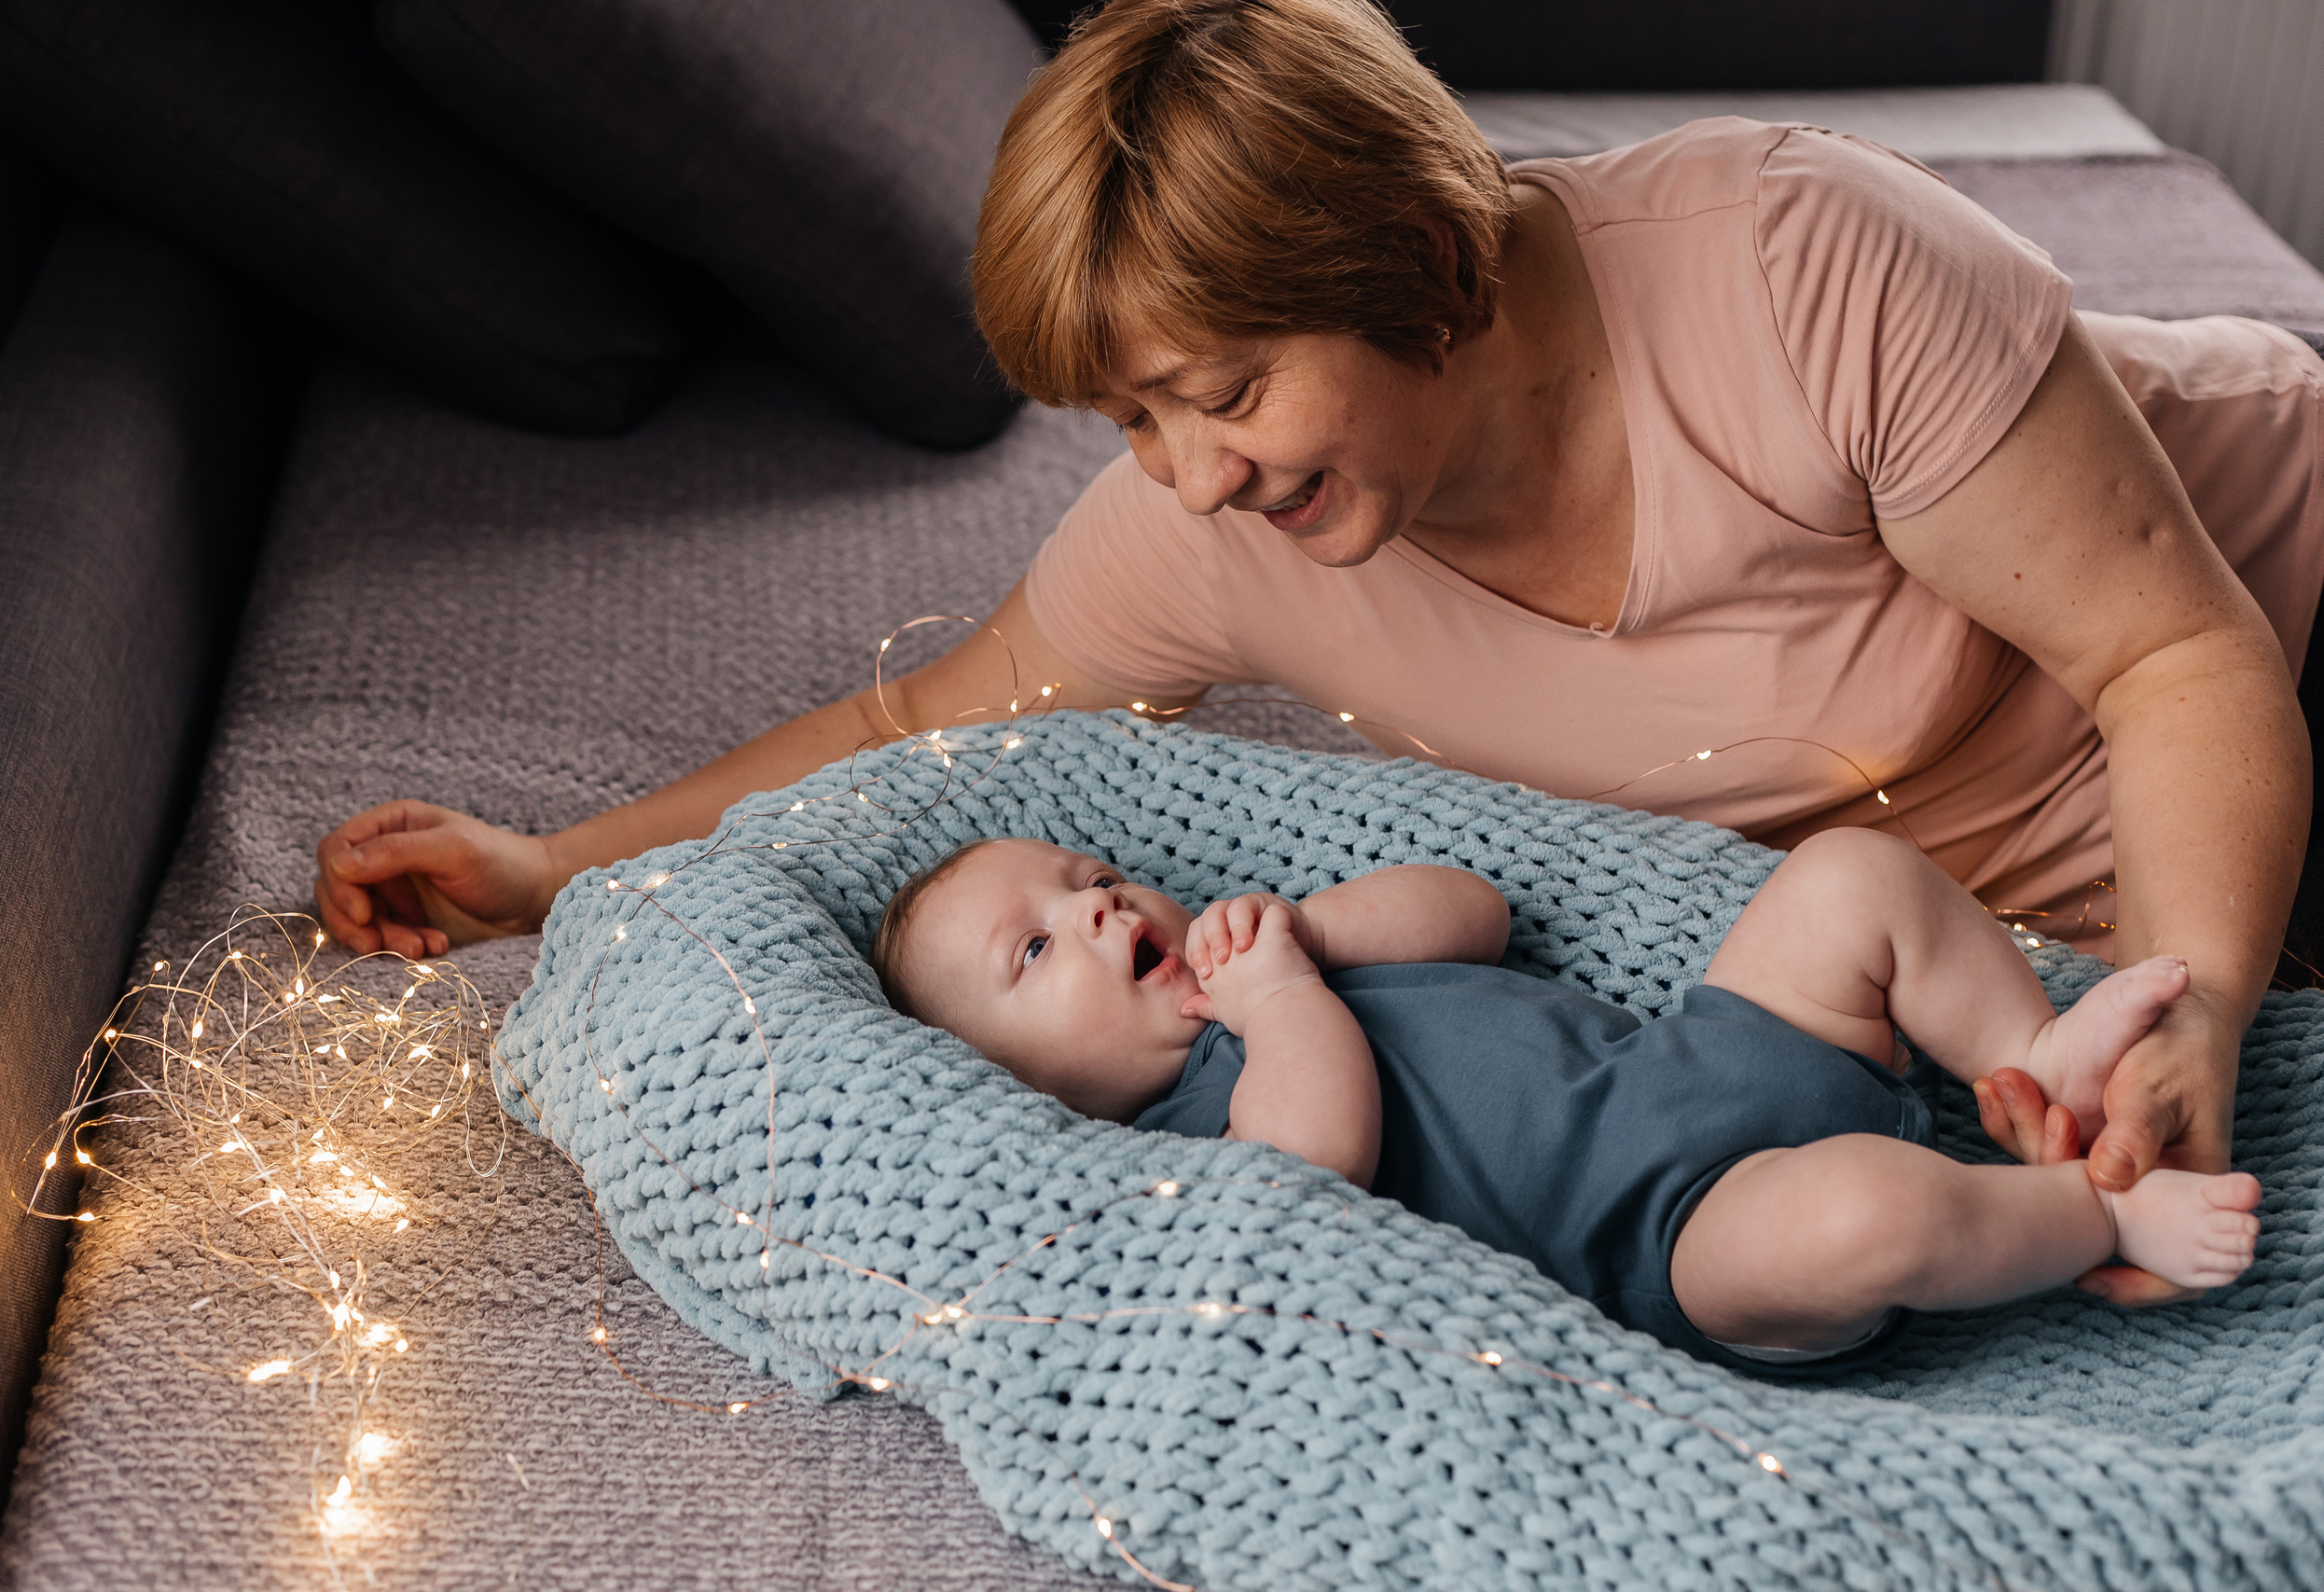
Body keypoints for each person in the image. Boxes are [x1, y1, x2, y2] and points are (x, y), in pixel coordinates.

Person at [312, 0, 2324, 1308]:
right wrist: (544, 867)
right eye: (1129, 422)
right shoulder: (1228, 532)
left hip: (2262, 653)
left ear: (1413, 264)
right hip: (2020, 922)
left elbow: (2174, 655)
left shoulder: (1802, 272)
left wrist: (2195, 1007)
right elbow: (917, 726)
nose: (1187, 473)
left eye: (1224, 389)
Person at [863, 827, 2261, 1376]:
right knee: (1859, 1216)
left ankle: (2034, 1062)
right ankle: (2089, 1215)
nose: (1096, 909)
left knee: (1850, 878)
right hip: (1679, 1239)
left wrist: (1309, 933)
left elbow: (1475, 909)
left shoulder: (1283, 949)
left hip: (1715, 1055)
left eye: (1089, 876)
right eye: (1037, 948)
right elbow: (1318, 1162)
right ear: (1022, 1092)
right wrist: (1277, 1002)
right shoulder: (1194, 1145)